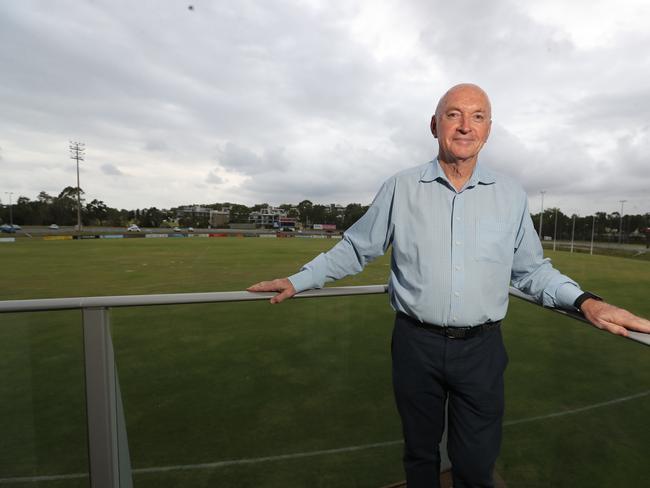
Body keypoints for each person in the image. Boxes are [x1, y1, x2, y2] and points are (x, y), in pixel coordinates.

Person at [247, 83, 650, 488]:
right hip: (414, 345)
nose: (464, 126)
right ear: (434, 124)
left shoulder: (510, 195)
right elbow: (354, 249)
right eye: (453, 114)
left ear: (488, 130)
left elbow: (531, 272)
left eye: (477, 116)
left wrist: (586, 302)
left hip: (482, 351)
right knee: (420, 456)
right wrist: (298, 280)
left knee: (475, 466)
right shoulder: (400, 187)